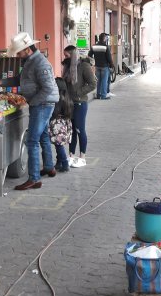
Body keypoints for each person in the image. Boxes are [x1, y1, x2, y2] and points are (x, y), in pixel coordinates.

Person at [9, 32, 59, 191]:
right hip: (41, 103)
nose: (18, 55)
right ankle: (49, 167)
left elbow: (48, 88)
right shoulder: (30, 61)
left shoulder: (40, 63)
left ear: (27, 50)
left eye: (19, 52)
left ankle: (34, 178)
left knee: (32, 140)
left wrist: (33, 102)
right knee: (43, 135)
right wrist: (2, 82)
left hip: (43, 104)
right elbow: (20, 79)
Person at [62, 45, 96, 167]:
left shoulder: (84, 66)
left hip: (80, 103)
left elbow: (93, 84)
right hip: (69, 103)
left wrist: (78, 93)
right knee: (72, 131)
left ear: (73, 55)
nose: (64, 58)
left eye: (66, 55)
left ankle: (82, 157)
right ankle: (71, 155)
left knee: (79, 129)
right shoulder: (66, 67)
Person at [49, 77, 73, 173]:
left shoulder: (58, 99)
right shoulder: (67, 98)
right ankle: (59, 163)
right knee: (58, 145)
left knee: (59, 146)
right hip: (65, 124)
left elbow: (54, 113)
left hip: (57, 125)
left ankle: (65, 163)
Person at [88, 32, 114, 100]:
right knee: (104, 81)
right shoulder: (105, 47)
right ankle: (103, 96)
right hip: (105, 66)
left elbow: (89, 55)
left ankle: (98, 95)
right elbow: (109, 57)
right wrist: (112, 65)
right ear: (104, 38)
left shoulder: (94, 46)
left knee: (98, 81)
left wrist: (93, 61)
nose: (106, 39)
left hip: (97, 66)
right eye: (106, 38)